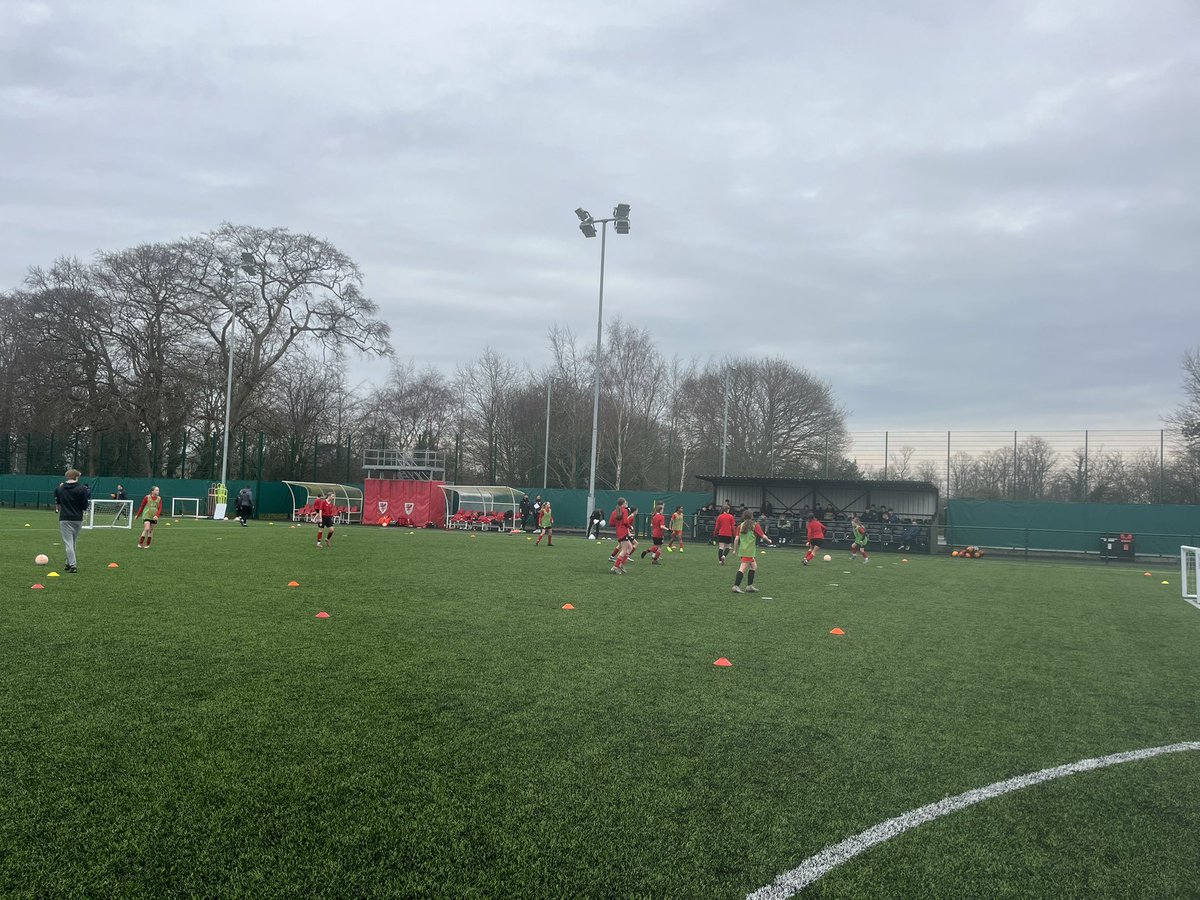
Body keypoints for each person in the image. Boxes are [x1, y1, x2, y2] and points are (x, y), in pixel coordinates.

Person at [54, 467, 90, 573]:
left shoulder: (60, 489)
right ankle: (68, 563)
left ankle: (73, 565)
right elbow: (85, 506)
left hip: (65, 518)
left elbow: (58, 502)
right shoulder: (82, 489)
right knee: (73, 542)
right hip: (78, 518)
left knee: (68, 543)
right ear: (76, 477)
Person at [731, 509, 773, 593]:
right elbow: (763, 536)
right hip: (749, 551)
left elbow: (736, 539)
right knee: (742, 568)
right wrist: (769, 540)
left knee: (754, 567)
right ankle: (736, 586)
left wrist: (734, 550)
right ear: (752, 516)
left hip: (743, 550)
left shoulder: (740, 526)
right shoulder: (754, 525)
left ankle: (749, 586)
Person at [608, 498, 636, 574]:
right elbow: (625, 522)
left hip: (619, 531)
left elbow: (611, 523)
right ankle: (616, 567)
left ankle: (621, 565)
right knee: (624, 550)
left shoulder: (614, 512)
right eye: (625, 503)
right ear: (623, 504)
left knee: (630, 547)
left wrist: (618, 524)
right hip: (623, 531)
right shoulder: (624, 510)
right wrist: (630, 527)